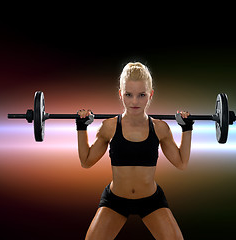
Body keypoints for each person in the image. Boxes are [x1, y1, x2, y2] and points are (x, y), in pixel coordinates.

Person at [76, 62, 193, 240]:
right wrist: (81, 128)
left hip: (151, 200)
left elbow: (181, 163)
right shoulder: (109, 127)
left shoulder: (160, 128)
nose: (135, 101)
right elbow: (86, 161)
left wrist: (187, 129)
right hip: (116, 200)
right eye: (129, 95)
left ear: (150, 95)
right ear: (120, 94)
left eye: (142, 95)